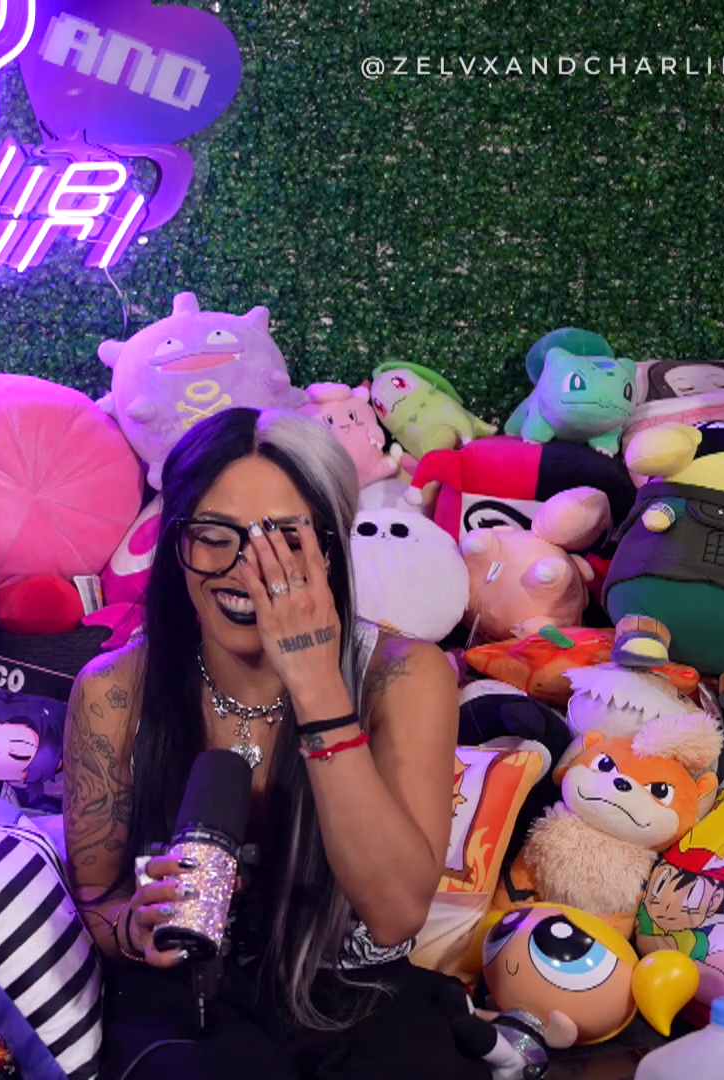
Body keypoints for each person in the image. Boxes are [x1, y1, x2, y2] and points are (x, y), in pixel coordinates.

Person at [64, 407, 486, 1079]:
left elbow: (395, 915)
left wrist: (317, 685)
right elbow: (96, 894)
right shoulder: (114, 692)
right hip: (186, 1007)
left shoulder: (405, 675)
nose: (245, 570)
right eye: (214, 536)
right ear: (175, 544)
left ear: (329, 549)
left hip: (357, 1000)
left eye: (284, 540)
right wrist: (133, 930)